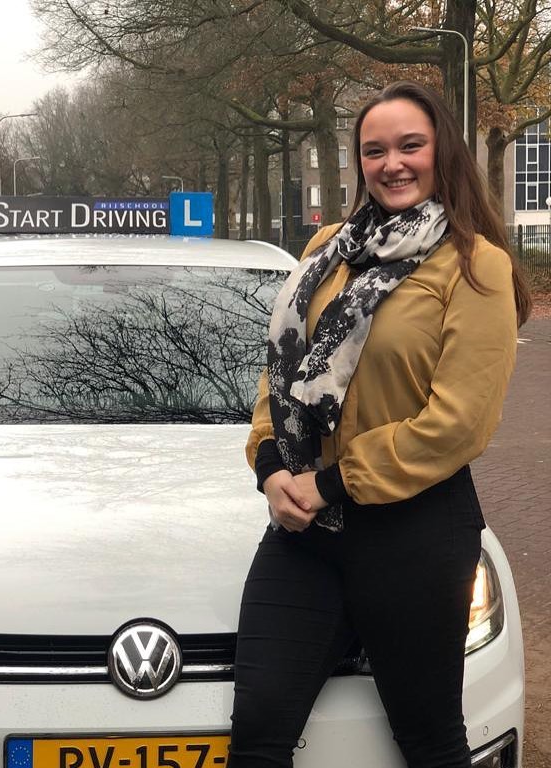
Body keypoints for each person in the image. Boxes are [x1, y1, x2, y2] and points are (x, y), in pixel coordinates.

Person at [228, 80, 532, 768]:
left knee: (428, 742)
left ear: (441, 152)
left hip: (414, 537)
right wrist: (270, 467)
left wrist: (329, 484)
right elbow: (281, 368)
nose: (391, 163)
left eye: (409, 145)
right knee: (257, 737)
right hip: (306, 533)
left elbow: (458, 424)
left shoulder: (474, 266)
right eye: (374, 150)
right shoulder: (328, 248)